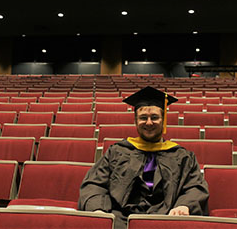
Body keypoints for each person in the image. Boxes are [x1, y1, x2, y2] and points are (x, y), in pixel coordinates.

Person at [78, 86, 209, 229]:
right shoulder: (117, 152)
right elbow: (94, 184)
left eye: (154, 117)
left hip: (166, 219)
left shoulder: (182, 156)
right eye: (143, 118)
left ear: (163, 120)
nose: (148, 123)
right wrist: (98, 208)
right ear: (135, 121)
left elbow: (195, 186)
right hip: (121, 219)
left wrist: (184, 205)